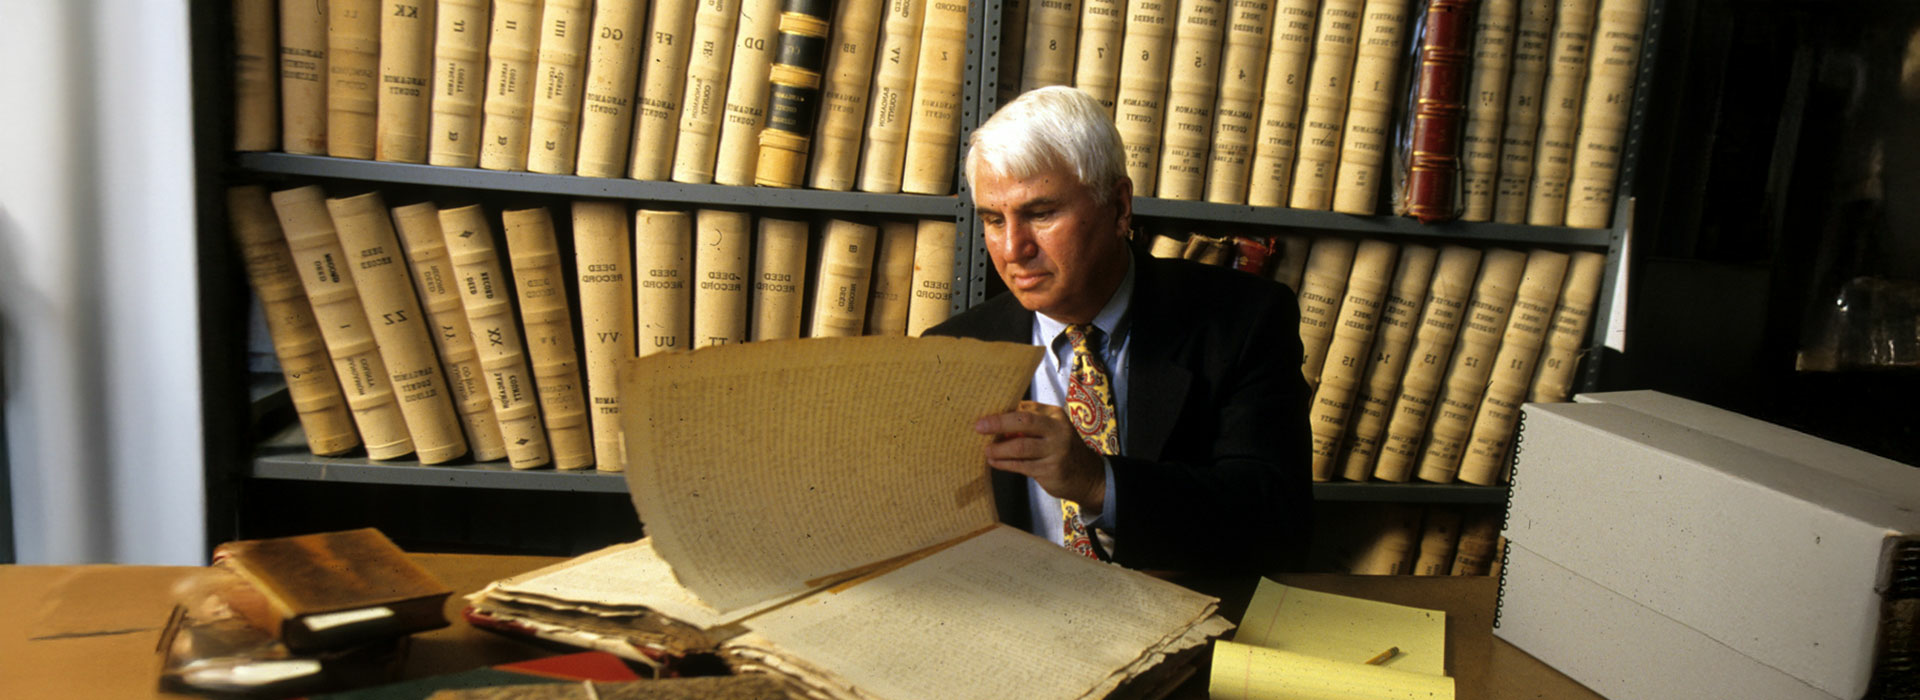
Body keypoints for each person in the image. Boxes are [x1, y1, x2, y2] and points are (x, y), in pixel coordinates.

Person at [924, 86, 1312, 574]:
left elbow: (1280, 522)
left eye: (1041, 214)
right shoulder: (950, 350)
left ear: (1119, 206)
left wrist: (1098, 483)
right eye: (993, 220)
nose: (1012, 248)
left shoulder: (1245, 320)